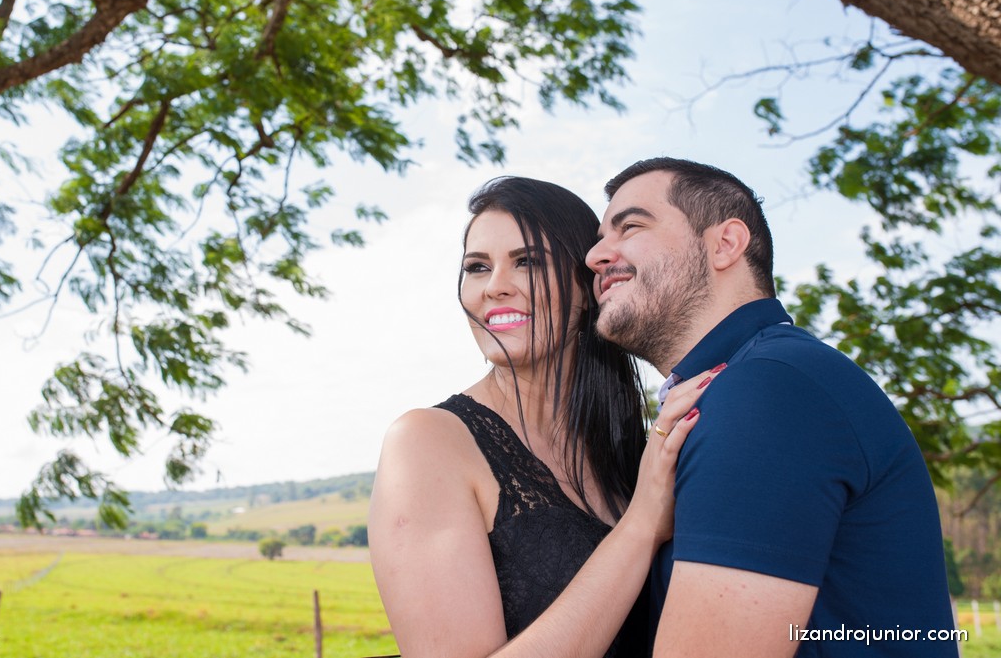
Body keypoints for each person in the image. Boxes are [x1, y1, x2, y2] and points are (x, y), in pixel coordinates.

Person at [586, 157, 957, 657]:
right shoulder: (756, 379)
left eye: (629, 226)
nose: (595, 255)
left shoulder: (766, 389)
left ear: (725, 244)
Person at [369, 176, 714, 658]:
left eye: (527, 261)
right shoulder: (428, 442)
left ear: (588, 284)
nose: (495, 287)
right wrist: (640, 527)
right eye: (477, 267)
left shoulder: (635, 451)